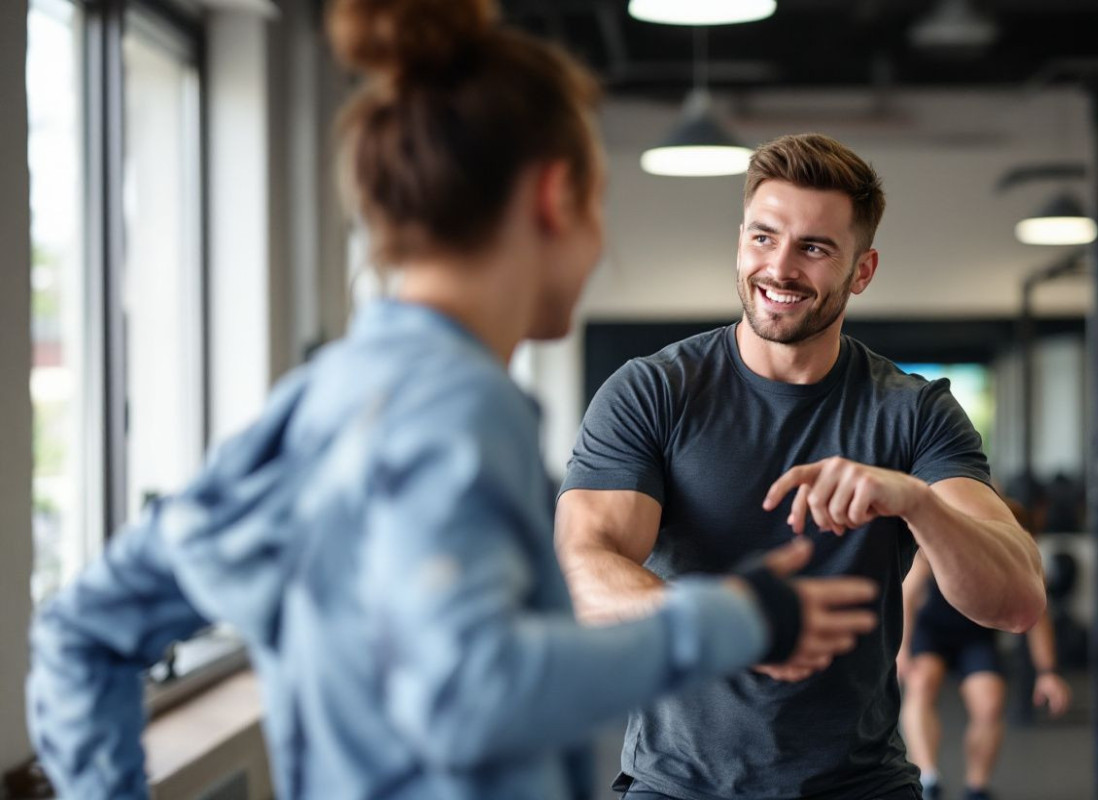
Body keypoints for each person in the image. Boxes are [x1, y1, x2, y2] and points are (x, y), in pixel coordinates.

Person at [24, 3, 881, 798]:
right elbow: (473, 692)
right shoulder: (456, 411)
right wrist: (729, 621)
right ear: (554, 198)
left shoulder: (333, 394)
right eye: (598, 206)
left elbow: (83, 632)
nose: (598, 247)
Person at [555, 133, 1047, 800]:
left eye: (814, 248)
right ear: (740, 241)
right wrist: (732, 621)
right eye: (763, 237)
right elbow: (581, 570)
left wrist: (917, 502)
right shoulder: (654, 392)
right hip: (677, 785)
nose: (779, 268)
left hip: (860, 785)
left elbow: (1017, 601)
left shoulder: (913, 412)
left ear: (862, 271)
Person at [897, 498, 1071, 800]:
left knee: (990, 702)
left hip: (975, 637)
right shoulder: (942, 544)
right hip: (932, 632)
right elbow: (907, 597)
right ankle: (928, 778)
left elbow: (1038, 618)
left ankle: (977, 787)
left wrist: (1047, 672)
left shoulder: (1023, 562)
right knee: (921, 683)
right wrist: (901, 651)